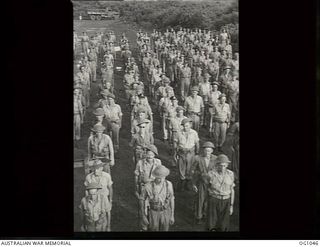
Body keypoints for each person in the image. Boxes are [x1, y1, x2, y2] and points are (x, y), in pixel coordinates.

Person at [134, 144, 162, 231]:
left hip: (154, 188)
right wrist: (136, 188)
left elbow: (161, 175)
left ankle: (152, 224)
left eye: (152, 154)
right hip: (143, 187)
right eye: (148, 154)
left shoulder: (158, 162)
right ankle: (143, 226)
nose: (150, 156)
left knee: (153, 206)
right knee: (142, 207)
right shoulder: (140, 163)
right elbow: (136, 176)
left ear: (154, 155)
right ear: (145, 154)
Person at [139, 165, 175, 231]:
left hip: (165, 211)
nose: (161, 180)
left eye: (163, 177)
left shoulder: (169, 184)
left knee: (165, 229)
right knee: (154, 229)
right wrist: (143, 216)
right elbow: (142, 200)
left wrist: (172, 215)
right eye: (159, 178)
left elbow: (172, 198)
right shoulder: (148, 186)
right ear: (155, 176)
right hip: (153, 212)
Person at [207, 154, 235, 232]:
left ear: (227, 165)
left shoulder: (231, 174)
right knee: (212, 224)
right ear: (217, 165)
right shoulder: (211, 174)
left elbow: (232, 190)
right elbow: (206, 188)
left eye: (224, 166)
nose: (222, 168)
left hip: (226, 201)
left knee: (224, 225)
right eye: (220, 165)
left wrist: (231, 205)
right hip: (214, 199)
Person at [191, 142, 217, 225]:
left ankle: (206, 214)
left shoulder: (216, 159)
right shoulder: (198, 158)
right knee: (200, 200)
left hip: (211, 183)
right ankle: (198, 216)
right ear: (203, 150)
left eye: (209, 151)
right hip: (201, 182)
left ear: (212, 151)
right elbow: (193, 171)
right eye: (205, 150)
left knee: (209, 199)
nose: (207, 152)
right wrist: (194, 184)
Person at [84, 160, 113, 231]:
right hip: (93, 199)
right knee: (91, 217)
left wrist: (110, 200)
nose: (95, 170)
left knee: (104, 216)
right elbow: (86, 189)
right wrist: (87, 201)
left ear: (102, 168)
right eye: (94, 168)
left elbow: (110, 188)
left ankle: (107, 227)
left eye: (98, 168)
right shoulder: (89, 177)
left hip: (104, 200)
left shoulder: (107, 176)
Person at [173, 118, 200, 191]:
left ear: (190, 125)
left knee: (190, 168)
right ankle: (182, 183)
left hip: (190, 152)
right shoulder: (179, 133)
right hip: (182, 152)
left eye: (187, 126)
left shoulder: (194, 133)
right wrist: (175, 152)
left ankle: (188, 183)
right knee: (181, 167)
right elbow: (175, 143)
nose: (185, 127)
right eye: (184, 126)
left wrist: (197, 153)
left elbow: (197, 143)